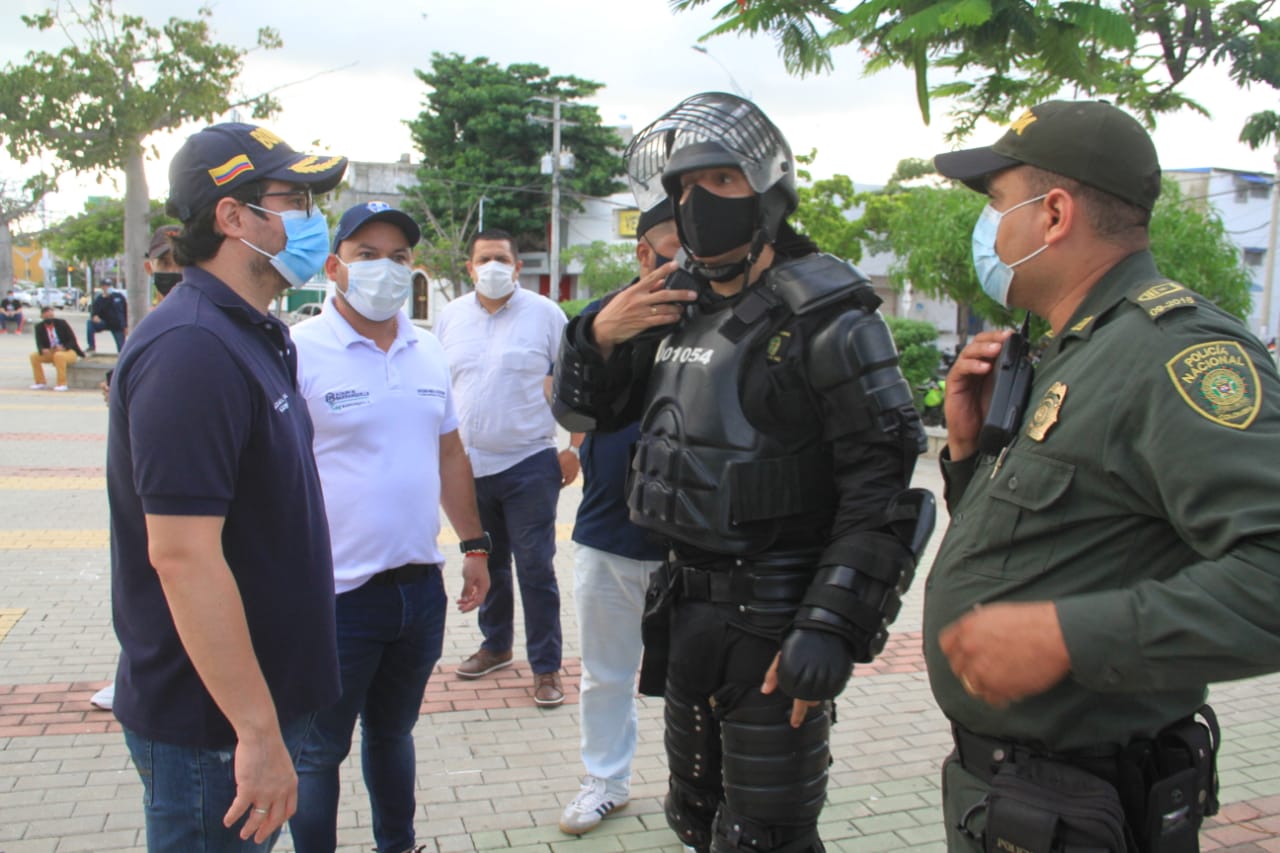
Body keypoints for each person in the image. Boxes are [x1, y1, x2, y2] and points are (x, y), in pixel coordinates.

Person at [552, 92, 933, 853]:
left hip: (777, 613)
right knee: (695, 818)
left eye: (721, 181)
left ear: (769, 195)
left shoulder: (831, 316)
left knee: (768, 835)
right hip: (685, 605)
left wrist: (831, 622)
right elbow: (583, 413)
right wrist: (595, 333)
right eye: (685, 189)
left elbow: (881, 488)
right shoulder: (673, 307)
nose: (698, 203)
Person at [924, 99, 1280, 853]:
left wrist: (1069, 637)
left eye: (995, 203)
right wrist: (966, 457)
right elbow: (1069, 533)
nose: (988, 230)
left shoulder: (1172, 357)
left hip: (1087, 802)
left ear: (1053, 214)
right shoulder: (1076, 349)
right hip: (1017, 798)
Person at [106, 121, 347, 852]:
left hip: (254, 709)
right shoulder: (193, 349)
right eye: (295, 199)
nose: (313, 217)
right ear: (233, 217)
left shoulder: (251, 332)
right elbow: (183, 556)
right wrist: (255, 730)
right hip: (214, 729)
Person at [287, 201, 491, 853]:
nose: (384, 268)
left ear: (415, 269)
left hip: (417, 591)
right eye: (366, 255)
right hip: (335, 597)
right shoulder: (297, 349)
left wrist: (475, 544)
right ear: (333, 267)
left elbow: (450, 452)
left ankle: (396, 845)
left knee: (393, 734)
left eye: (398, 257)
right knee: (318, 752)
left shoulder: (426, 348)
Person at [557, 200, 679, 836]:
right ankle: (605, 781)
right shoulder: (599, 319)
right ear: (642, 253)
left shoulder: (731, 324)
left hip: (697, 545)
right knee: (605, 673)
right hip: (609, 531)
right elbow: (573, 415)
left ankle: (701, 803)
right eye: (672, 246)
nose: (688, 260)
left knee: (699, 683)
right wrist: (604, 334)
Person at [434, 228, 577, 707]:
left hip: (529, 463)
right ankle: (495, 645)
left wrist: (574, 445)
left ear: (517, 267)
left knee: (535, 565)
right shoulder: (450, 318)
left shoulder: (546, 316)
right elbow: (438, 386)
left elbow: (574, 383)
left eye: (501, 258)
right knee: (486, 563)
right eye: (483, 259)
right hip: (467, 467)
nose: (491, 267)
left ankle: (547, 667)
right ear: (470, 267)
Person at [89, 223, 186, 710]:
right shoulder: (155, 326)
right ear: (151, 268)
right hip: (144, 486)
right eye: (167, 264)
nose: (176, 272)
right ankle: (137, 674)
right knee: (147, 580)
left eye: (182, 261)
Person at [29, 304, 85, 391]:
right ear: (42, 316)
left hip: (68, 351)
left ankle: (62, 384)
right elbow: (39, 343)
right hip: (52, 351)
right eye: (47, 317)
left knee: (59, 356)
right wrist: (42, 349)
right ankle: (40, 382)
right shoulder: (39, 327)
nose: (49, 318)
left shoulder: (62, 323)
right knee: (34, 356)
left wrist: (64, 348)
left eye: (51, 316)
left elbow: (72, 340)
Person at [86, 278, 128, 354]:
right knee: (90, 323)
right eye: (105, 286)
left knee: (122, 349)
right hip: (105, 322)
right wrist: (95, 317)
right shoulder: (99, 299)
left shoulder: (118, 297)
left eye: (108, 286)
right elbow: (94, 312)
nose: (107, 288)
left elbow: (125, 311)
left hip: (117, 325)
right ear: (102, 287)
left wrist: (126, 326)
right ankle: (91, 346)